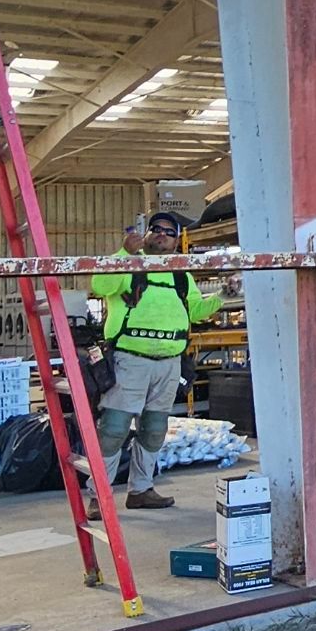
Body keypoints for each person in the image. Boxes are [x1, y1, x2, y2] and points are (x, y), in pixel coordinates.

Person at [88, 213, 222, 510]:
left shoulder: (180, 273)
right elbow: (99, 284)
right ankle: (100, 496)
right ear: (146, 235)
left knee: (154, 429)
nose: (161, 235)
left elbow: (195, 310)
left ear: (176, 242)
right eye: (156, 230)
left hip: (169, 363)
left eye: (168, 232)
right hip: (128, 360)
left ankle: (141, 490)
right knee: (113, 429)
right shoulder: (128, 263)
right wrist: (125, 253)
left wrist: (224, 295)